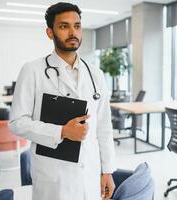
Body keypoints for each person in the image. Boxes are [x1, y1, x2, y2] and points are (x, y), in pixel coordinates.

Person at [9, 2, 116, 200]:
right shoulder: (32, 71)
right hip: (54, 177)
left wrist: (107, 170)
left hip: (89, 174)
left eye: (77, 25)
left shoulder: (95, 74)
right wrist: (62, 132)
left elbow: (103, 126)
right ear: (50, 32)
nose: (72, 32)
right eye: (64, 26)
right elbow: (17, 123)